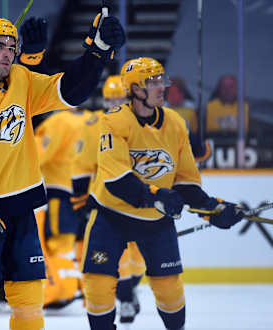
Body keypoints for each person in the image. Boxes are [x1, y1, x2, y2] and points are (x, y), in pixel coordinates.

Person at [0, 9, 125, 330]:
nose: (8, 53)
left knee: (30, 304)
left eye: (11, 47)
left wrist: (97, 51)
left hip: (21, 211)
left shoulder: (22, 82)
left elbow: (69, 90)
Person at [81, 57, 245, 330]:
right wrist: (158, 194)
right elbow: (117, 180)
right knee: (97, 285)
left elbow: (185, 182)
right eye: (152, 82)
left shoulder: (176, 123)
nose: (161, 87)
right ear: (135, 89)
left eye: (161, 81)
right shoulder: (113, 121)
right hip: (112, 216)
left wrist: (212, 209)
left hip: (155, 219)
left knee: (169, 290)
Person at [71, 75, 145, 325]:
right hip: (107, 200)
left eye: (119, 99)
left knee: (139, 260)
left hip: (141, 198)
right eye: (109, 99)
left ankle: (129, 289)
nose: (114, 104)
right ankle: (124, 298)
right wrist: (81, 200)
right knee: (120, 256)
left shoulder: (144, 122)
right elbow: (82, 166)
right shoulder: (94, 125)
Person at [34, 107, 89, 308]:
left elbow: (38, 154)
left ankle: (58, 291)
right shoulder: (88, 121)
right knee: (67, 247)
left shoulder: (58, 122)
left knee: (57, 245)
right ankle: (69, 288)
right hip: (77, 193)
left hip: (57, 191)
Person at [165, 77, 211, 161]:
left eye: (175, 93)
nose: (171, 96)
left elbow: (195, 131)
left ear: (182, 94)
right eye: (169, 93)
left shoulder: (191, 109)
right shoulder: (160, 109)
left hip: (187, 146)